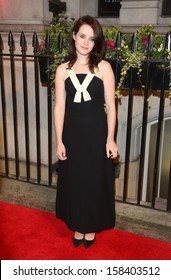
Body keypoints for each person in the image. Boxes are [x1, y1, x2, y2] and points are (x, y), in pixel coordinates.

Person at [54, 15, 118, 249]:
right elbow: (59, 107)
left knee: (93, 181)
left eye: (91, 38)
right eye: (82, 36)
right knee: (76, 181)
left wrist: (110, 139)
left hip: (96, 134)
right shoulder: (62, 70)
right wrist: (59, 141)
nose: (86, 42)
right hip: (72, 134)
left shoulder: (104, 68)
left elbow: (111, 106)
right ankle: (78, 224)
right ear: (74, 36)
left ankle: (90, 227)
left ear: (96, 42)